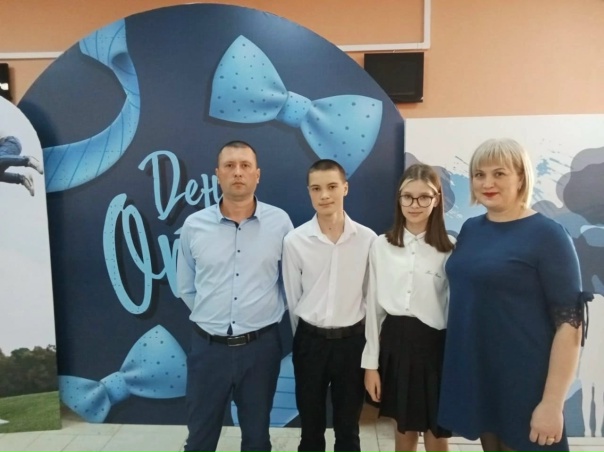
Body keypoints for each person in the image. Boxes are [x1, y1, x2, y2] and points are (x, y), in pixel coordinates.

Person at [438, 138, 592, 452]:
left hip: (524, 380)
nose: (487, 183)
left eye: (499, 173)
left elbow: (570, 325)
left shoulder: (548, 235)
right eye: (479, 174)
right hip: (481, 372)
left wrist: (552, 403)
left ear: (521, 177)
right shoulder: (471, 229)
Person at [177, 140, 293, 452]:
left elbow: (289, 284)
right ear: (217, 174)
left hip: (261, 349)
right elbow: (186, 286)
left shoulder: (280, 223)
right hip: (208, 349)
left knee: (257, 438)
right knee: (199, 439)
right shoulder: (194, 226)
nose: (237, 172)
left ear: (258, 174)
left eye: (245, 165)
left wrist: (261, 314)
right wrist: (214, 318)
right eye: (229, 166)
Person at [282, 159, 376, 452]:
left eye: (332, 186)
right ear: (309, 192)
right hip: (310, 342)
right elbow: (293, 298)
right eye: (316, 188)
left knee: (348, 430)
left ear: (345, 188)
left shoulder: (368, 240)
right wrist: (307, 337)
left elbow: (370, 297)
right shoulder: (295, 241)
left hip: (352, 344)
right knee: (310, 429)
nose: (324, 195)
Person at [362, 163, 455, 452]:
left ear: (436, 199)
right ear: (399, 199)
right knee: (403, 429)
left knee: (437, 432)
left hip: (435, 349)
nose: (415, 204)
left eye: (424, 197)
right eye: (408, 197)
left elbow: (455, 309)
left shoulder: (451, 248)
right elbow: (373, 309)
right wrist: (371, 365)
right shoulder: (381, 245)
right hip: (395, 344)